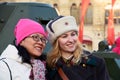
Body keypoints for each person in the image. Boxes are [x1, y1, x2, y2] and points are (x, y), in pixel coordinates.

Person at [45, 16, 110, 80]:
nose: (70, 40)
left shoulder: (96, 63)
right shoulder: (50, 67)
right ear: (56, 41)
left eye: (73, 34)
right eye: (64, 36)